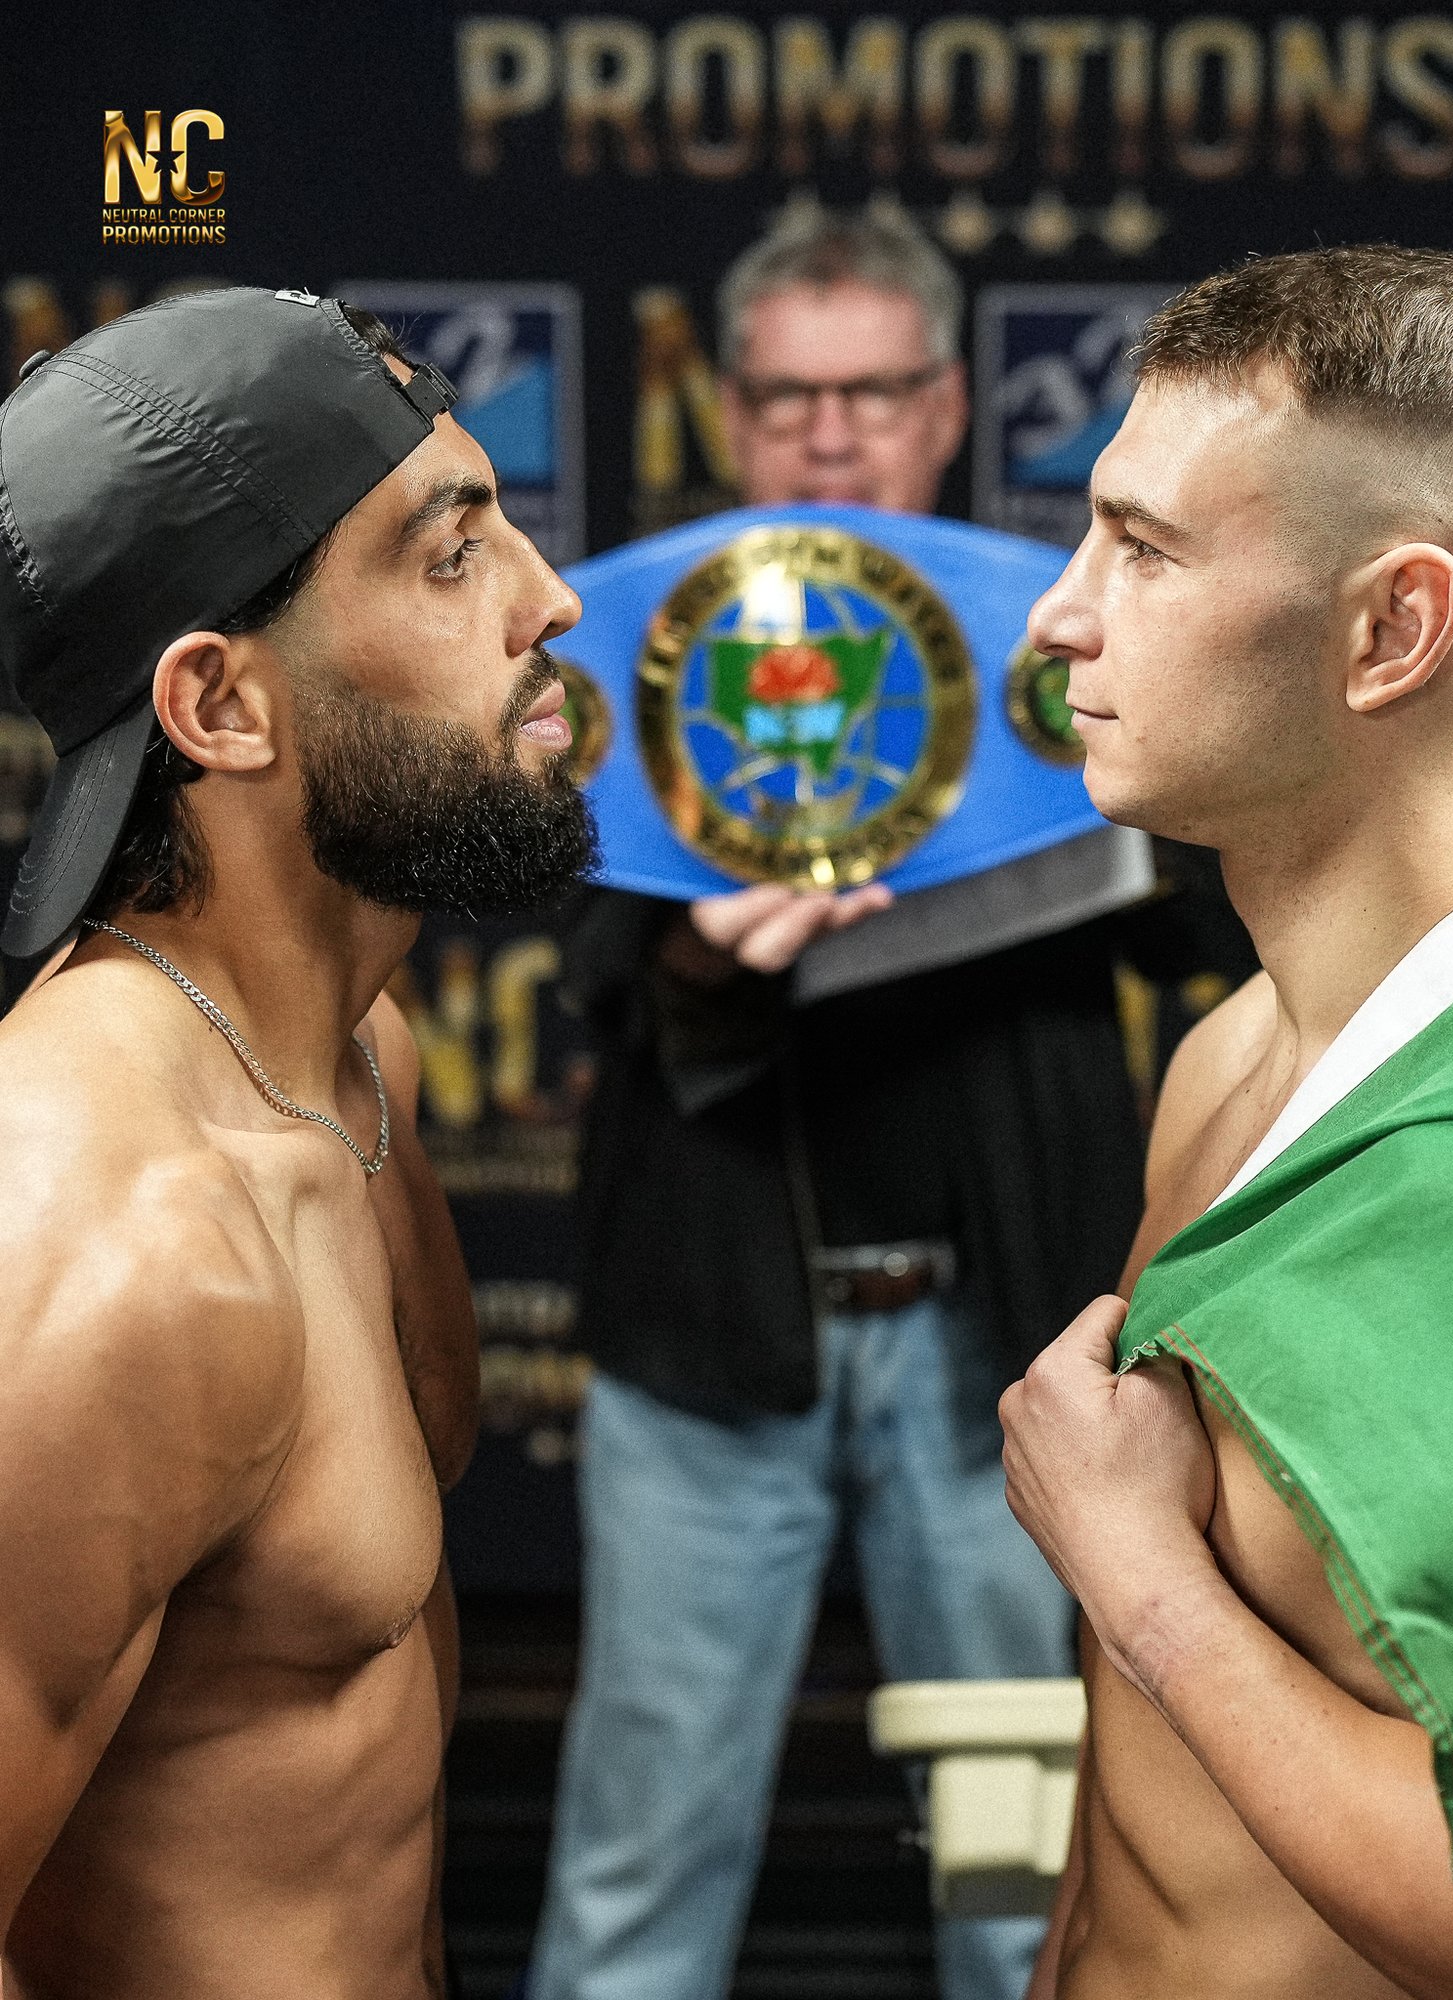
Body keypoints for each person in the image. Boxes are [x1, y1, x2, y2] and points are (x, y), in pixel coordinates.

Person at [527, 209, 1227, 2000]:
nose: (830, 435)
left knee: (1027, 1883)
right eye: (788, 397)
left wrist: (1121, 796)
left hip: (1008, 1355)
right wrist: (707, 965)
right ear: (730, 409)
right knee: (639, 1870)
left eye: (872, 392)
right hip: (706, 1353)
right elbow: (579, 963)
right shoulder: (628, 653)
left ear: (946, 404)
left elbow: (1219, 926)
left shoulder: (1070, 646)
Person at [1001, 244, 1453, 1998]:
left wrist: (1142, 1580)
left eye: (1144, 548)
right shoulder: (1232, 1054)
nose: (1059, 618)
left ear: (1394, 629)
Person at [0, 287, 595, 1997]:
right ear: (221, 706)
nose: (550, 599)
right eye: (450, 556)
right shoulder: (119, 1247)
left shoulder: (350, 1059)